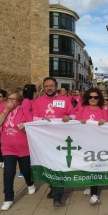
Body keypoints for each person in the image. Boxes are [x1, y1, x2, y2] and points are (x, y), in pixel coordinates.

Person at [33, 77, 76, 207]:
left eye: (51, 86)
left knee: (57, 166)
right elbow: (34, 119)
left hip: (61, 139)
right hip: (45, 139)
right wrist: (41, 119)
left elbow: (74, 115)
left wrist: (69, 117)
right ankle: (53, 188)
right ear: (43, 88)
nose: (49, 88)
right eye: (46, 86)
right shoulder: (38, 101)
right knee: (48, 165)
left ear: (56, 87)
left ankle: (57, 196)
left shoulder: (65, 100)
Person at [0, 91, 35, 211]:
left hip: (23, 148)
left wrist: (25, 128)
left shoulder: (25, 112)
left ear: (19, 101)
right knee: (9, 172)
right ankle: (8, 198)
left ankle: (30, 183)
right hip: (8, 148)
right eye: (9, 99)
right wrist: (5, 112)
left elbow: (31, 130)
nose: (11, 101)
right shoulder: (4, 111)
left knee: (25, 170)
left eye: (14, 99)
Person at [76, 88, 107, 205]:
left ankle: (94, 194)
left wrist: (104, 122)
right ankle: (88, 183)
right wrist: (81, 121)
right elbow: (77, 121)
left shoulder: (103, 110)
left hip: (98, 143)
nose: (93, 99)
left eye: (96, 97)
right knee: (86, 165)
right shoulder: (82, 109)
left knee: (95, 167)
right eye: (90, 97)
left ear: (99, 99)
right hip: (84, 143)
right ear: (87, 98)